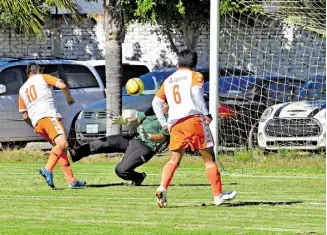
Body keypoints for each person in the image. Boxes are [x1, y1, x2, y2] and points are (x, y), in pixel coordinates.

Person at [152, 49, 236, 208]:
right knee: (209, 159)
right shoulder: (195, 76)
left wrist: (164, 123)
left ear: (178, 64)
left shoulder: (169, 80)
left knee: (174, 160)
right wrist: (206, 113)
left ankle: (162, 187)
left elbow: (156, 102)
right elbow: (197, 93)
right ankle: (218, 195)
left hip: (175, 124)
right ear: (194, 64)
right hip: (193, 121)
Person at [18, 63, 86, 189]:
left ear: (28, 73)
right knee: (63, 144)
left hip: (37, 124)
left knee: (60, 149)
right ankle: (47, 169)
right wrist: (69, 98)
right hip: (48, 117)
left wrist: (34, 126)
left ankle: (71, 180)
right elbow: (63, 85)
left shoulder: (22, 89)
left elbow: (25, 116)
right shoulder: (43, 77)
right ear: (39, 70)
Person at [69, 104, 169, 186]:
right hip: (133, 138)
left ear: (169, 106)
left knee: (121, 170)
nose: (160, 105)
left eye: (163, 103)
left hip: (145, 147)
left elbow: (162, 138)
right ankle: (75, 153)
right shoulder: (153, 110)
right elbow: (139, 119)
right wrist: (126, 121)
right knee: (102, 143)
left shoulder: (169, 119)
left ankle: (138, 177)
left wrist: (149, 136)